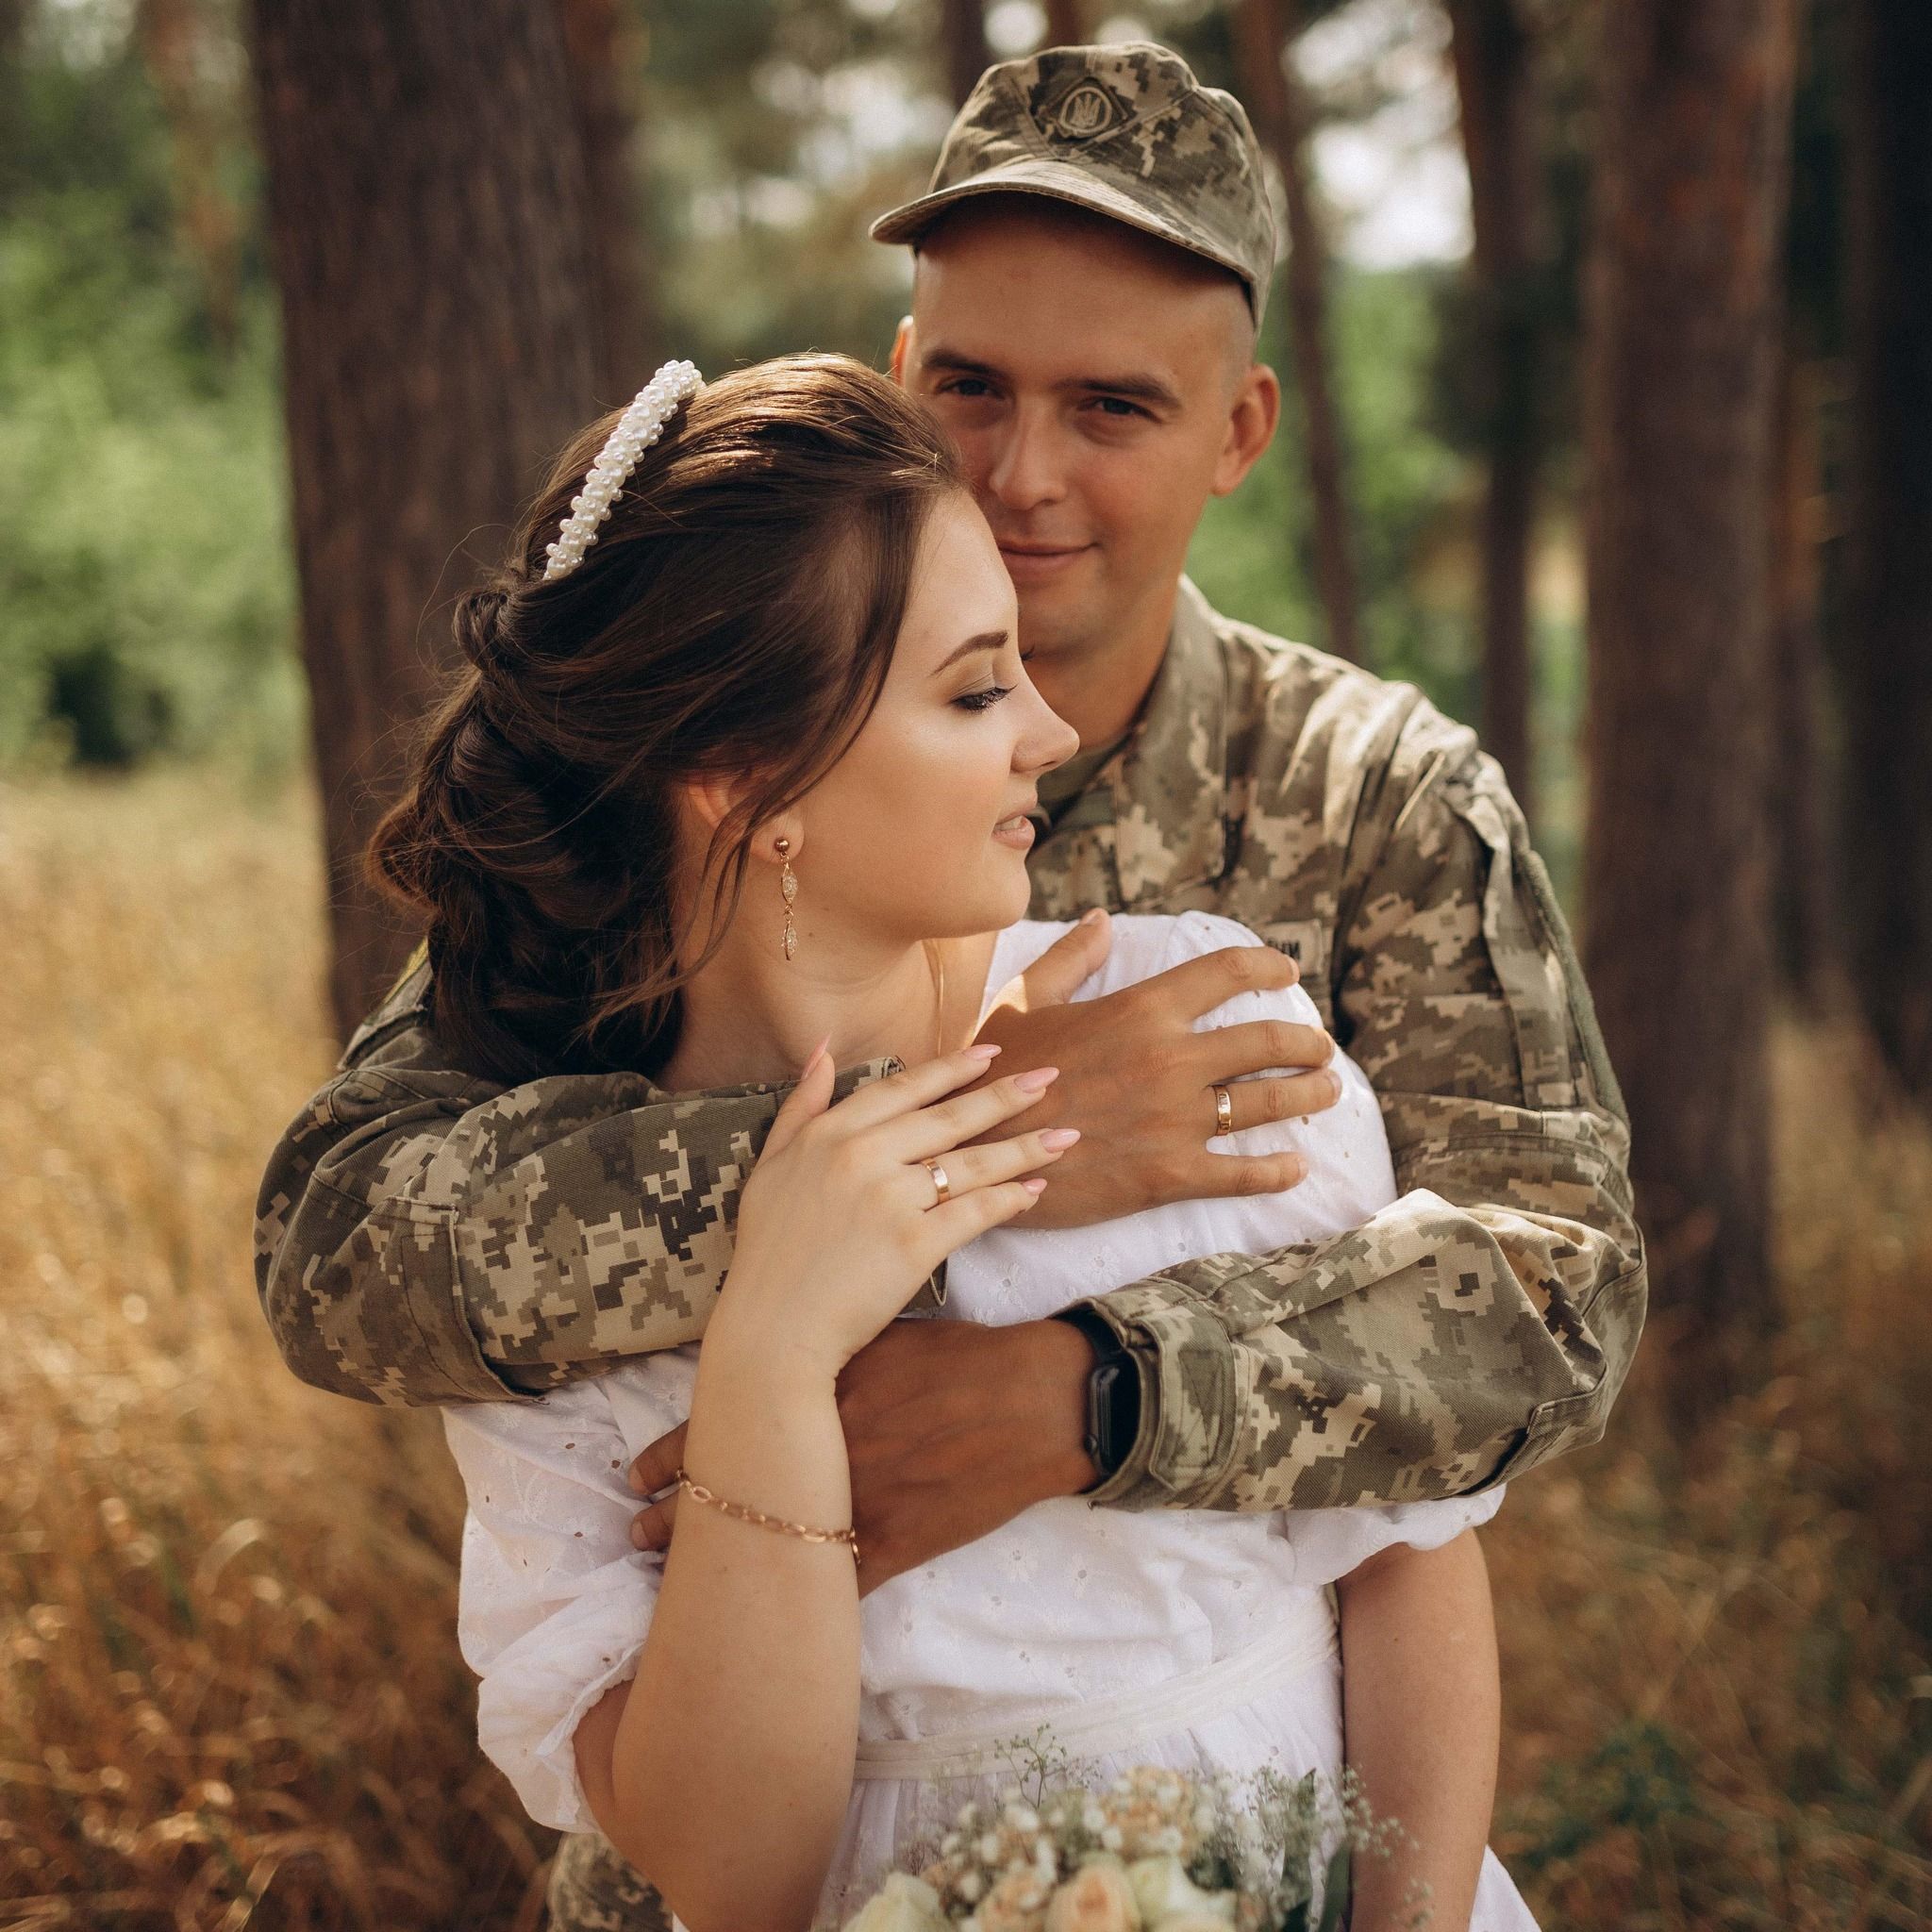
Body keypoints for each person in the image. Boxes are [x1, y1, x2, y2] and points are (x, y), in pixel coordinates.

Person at [255, 41, 1641, 1918]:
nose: (1020, 471)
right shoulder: (683, 802)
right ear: (906, 372)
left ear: (1240, 432)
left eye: (1113, 407)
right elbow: (341, 1245)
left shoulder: (1368, 798)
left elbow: (1551, 1294)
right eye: (970, 386)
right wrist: (970, 1150)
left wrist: (1097, 1391)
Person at [401, 349, 1534, 1930]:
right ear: (746, 781)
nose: (1051, 732)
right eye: (976, 687)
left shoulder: (1191, 1032)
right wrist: (772, 1355)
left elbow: (1406, 1557)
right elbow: (734, 1878)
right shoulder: (543, 1251)